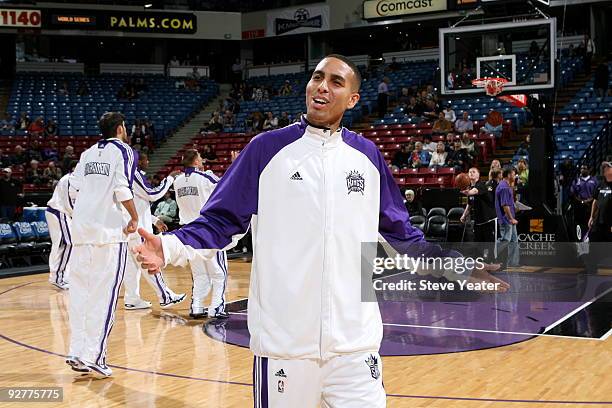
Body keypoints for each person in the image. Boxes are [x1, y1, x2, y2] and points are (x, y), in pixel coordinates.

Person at [134, 55, 507, 408]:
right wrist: (167, 247)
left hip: (355, 348)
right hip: (285, 349)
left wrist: (455, 265)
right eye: (316, 77)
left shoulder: (367, 157)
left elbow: (403, 236)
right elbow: (220, 220)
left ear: (353, 98)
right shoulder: (266, 149)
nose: (322, 87)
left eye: (335, 81)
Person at [66, 112, 139, 377]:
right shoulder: (124, 151)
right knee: (103, 296)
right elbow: (122, 188)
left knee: (79, 294)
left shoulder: (86, 154)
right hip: (109, 232)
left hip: (81, 231)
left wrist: (82, 215)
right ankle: (95, 356)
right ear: (121, 128)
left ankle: (77, 351)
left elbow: (71, 189)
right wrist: (134, 216)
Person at [122, 152, 186, 311]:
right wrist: (169, 178)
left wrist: (155, 220)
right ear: (138, 161)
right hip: (139, 230)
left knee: (132, 267)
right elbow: (153, 194)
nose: (148, 161)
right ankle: (165, 296)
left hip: (129, 228)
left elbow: (137, 206)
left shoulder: (125, 176)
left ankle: (132, 298)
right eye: (145, 159)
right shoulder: (134, 175)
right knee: (149, 262)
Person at [173, 149, 228, 319]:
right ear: (196, 161)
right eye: (200, 158)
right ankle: (216, 307)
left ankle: (196, 306)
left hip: (187, 232)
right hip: (207, 230)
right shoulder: (205, 177)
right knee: (218, 272)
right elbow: (227, 184)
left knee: (199, 273)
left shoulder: (178, 181)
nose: (203, 160)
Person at [45, 169, 77, 290]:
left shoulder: (73, 180)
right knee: (67, 244)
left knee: (60, 245)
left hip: (60, 212)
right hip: (59, 212)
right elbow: (69, 203)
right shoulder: (69, 179)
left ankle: (61, 276)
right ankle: (58, 277)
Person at [461, 167, 499, 262]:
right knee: (478, 245)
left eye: (474, 172)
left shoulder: (481, 185)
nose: (471, 173)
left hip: (489, 220)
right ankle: (479, 264)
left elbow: (474, 192)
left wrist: (468, 192)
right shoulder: (469, 187)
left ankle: (492, 263)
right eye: (469, 172)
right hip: (478, 221)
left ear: (478, 175)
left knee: (490, 245)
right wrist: (464, 215)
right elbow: (469, 204)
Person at [495, 166, 519, 268]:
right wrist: (511, 218)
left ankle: (512, 263)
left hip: (509, 219)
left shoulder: (507, 186)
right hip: (506, 220)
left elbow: (508, 203)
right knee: (505, 240)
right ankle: (492, 254)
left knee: (514, 241)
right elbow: (505, 206)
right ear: (509, 175)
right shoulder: (504, 187)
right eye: (514, 174)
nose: (515, 176)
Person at [570, 165, 598, 240]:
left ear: (589, 170)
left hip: (590, 206)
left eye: (584, 168)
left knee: (590, 225)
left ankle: (589, 240)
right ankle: (580, 243)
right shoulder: (576, 180)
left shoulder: (594, 180)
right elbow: (573, 193)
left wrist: (589, 200)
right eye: (581, 168)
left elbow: (597, 193)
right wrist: (582, 201)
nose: (582, 170)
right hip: (579, 207)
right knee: (579, 226)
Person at [587, 161, 612, 242]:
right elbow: (595, 201)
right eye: (605, 169)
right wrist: (591, 217)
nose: (607, 171)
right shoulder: (600, 184)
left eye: (609, 168)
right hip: (599, 221)